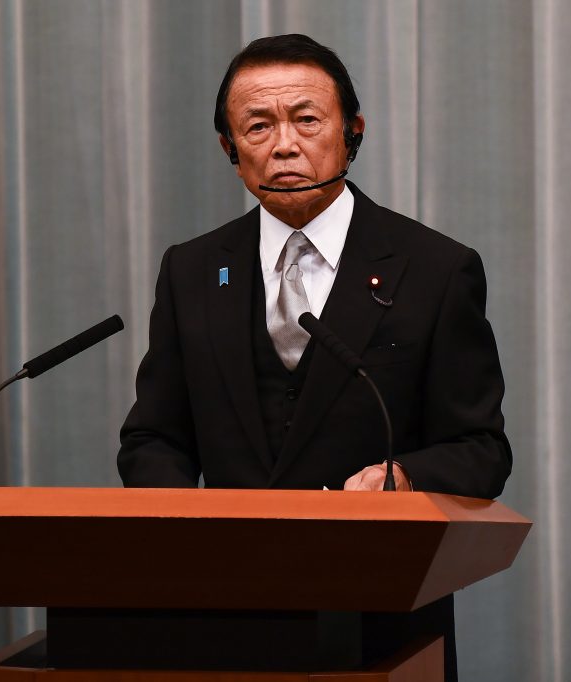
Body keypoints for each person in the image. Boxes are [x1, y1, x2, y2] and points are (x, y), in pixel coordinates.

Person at [118, 34, 511, 681]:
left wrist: (404, 478)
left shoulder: (436, 269)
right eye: (258, 126)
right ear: (230, 150)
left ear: (351, 133)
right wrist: (184, 527)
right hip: (222, 612)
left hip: (382, 621)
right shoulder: (191, 269)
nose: (284, 144)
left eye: (306, 119)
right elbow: (153, 435)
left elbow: (481, 448)